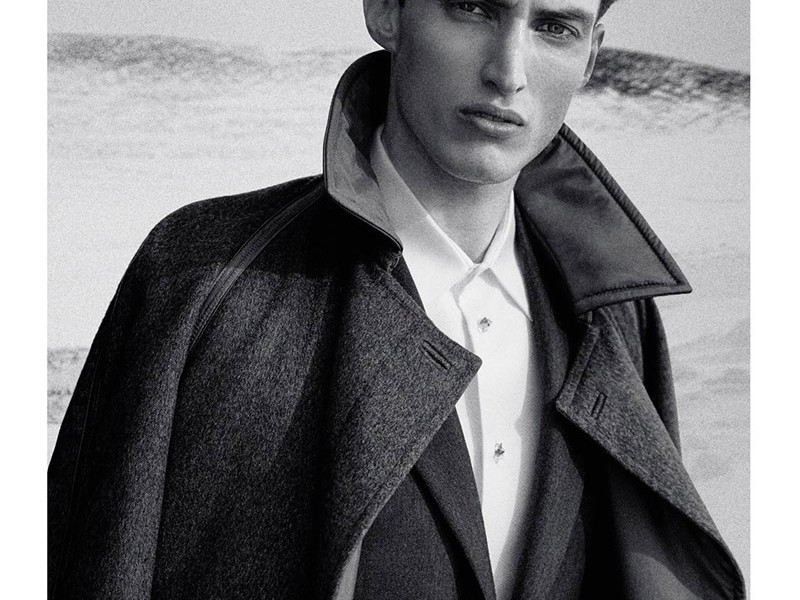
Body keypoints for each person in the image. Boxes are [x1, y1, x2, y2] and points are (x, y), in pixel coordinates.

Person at [48, 0, 745, 598]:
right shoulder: (202, 277)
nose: (508, 72)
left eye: (554, 26)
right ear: (387, 7)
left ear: (591, 55)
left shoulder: (614, 316)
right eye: (474, 7)